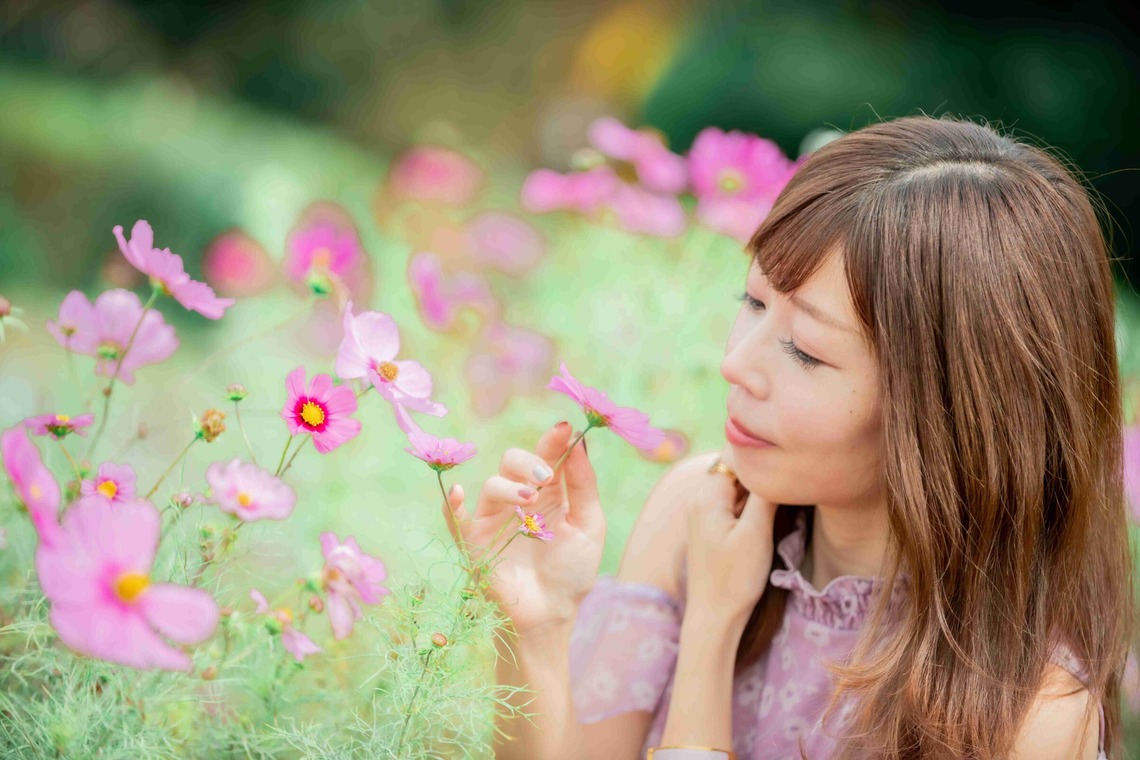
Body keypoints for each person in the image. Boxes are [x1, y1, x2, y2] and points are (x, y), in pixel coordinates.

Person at [443, 115, 1133, 759]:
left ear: (953, 411)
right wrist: (537, 628)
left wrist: (710, 640)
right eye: (752, 302)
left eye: (805, 350)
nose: (735, 363)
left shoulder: (1032, 711)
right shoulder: (703, 510)